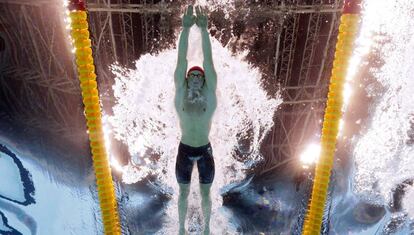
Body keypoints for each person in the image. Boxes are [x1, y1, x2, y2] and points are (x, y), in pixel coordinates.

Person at [174, 5, 217, 235]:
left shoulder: (209, 97)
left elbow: (208, 63)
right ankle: (181, 228)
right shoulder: (180, 93)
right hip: (184, 149)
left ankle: (206, 229)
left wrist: (204, 32)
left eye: (201, 76)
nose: (198, 78)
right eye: (194, 75)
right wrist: (185, 30)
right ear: (187, 78)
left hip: (205, 150)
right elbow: (182, 60)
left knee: (205, 193)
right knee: (182, 192)